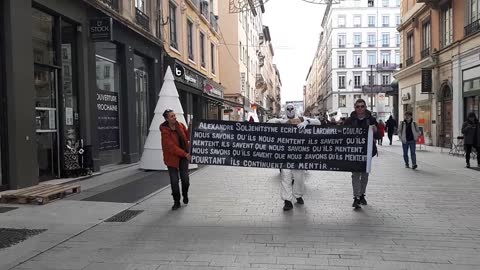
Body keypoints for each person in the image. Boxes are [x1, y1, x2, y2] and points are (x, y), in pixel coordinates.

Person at [268, 104, 320, 211]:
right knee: (285, 177)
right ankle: (287, 201)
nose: (290, 111)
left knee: (299, 178)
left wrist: (307, 122)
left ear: (294, 110)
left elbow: (318, 122)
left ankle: (298, 195)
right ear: (285, 110)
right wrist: (280, 122)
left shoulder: (301, 119)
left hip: (299, 155)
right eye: (288, 109)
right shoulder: (282, 120)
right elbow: (269, 122)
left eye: (292, 109)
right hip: (285, 155)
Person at [343, 99, 378, 209]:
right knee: (355, 174)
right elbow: (343, 134)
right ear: (355, 107)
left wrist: (375, 129)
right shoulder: (349, 120)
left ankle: (362, 194)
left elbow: (378, 134)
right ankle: (356, 197)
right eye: (358, 106)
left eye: (362, 106)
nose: (360, 108)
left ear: (365, 107)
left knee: (364, 175)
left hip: (367, 152)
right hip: (354, 151)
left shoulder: (371, 119)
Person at [160, 109, 191, 210]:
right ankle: (176, 201)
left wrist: (191, 126)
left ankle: (185, 194)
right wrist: (185, 153)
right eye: (172, 116)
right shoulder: (165, 130)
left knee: (185, 179)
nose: (174, 117)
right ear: (166, 118)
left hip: (183, 156)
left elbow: (188, 135)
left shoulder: (180, 125)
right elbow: (170, 146)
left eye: (174, 115)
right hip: (172, 158)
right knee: (174, 181)